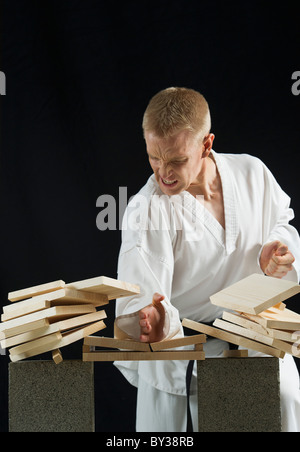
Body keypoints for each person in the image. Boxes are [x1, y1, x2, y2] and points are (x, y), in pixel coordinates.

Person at [114, 87, 300, 432]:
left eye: (176, 160)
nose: (163, 173)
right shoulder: (147, 209)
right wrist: (151, 318)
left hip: (256, 336)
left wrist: (277, 248)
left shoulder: (251, 173)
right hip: (188, 352)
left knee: (285, 400)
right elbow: (139, 286)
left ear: (206, 144)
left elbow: (281, 220)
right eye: (154, 157)